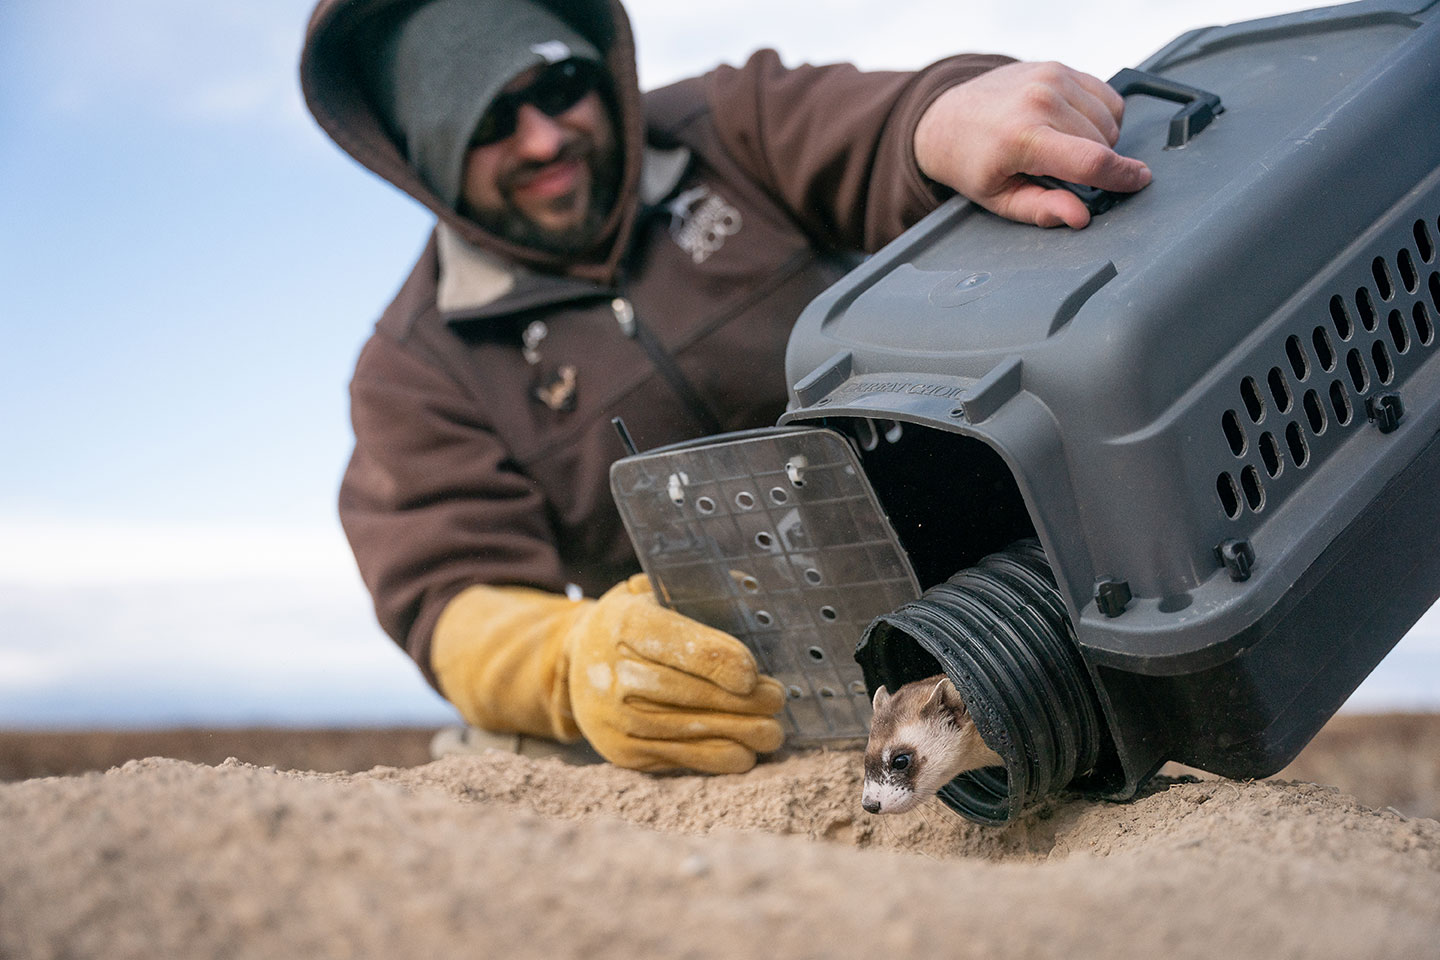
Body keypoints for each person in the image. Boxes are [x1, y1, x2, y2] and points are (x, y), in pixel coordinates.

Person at [299, 0, 1149, 774]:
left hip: (996, 580)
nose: (543, 138)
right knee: (483, 752)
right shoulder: (415, 365)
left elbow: (882, 127)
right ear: (423, 159)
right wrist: (574, 662)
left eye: (559, 85)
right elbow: (449, 597)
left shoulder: (729, 122)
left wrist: (947, 116)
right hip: (749, 705)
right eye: (486, 123)